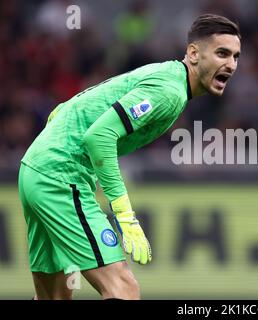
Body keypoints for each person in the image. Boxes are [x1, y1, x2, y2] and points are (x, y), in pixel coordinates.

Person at [18, 14, 241, 300]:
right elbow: (98, 137)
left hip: (35, 170)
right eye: (222, 53)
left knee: (54, 297)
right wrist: (124, 215)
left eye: (235, 56)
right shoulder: (169, 92)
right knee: (123, 288)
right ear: (194, 54)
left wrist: (53, 156)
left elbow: (61, 111)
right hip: (60, 178)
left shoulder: (166, 76)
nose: (231, 64)